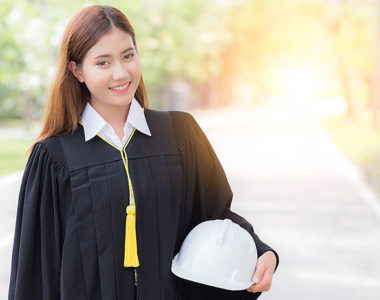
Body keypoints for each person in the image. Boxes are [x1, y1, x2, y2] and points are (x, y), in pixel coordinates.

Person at [8, 5, 279, 300]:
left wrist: (262, 251)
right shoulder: (55, 158)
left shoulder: (179, 135)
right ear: (77, 70)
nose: (121, 72)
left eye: (128, 55)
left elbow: (212, 216)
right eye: (103, 62)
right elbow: (35, 270)